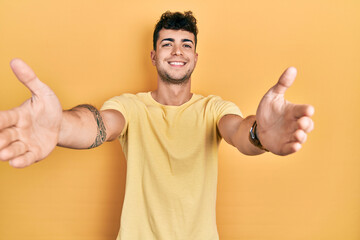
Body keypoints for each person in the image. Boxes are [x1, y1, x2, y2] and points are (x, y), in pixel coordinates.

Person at [0, 11, 314, 240]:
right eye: (168, 44)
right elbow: (99, 124)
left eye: (186, 45)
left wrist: (260, 134)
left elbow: (238, 132)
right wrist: (60, 127)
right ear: (153, 55)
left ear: (195, 57)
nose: (177, 51)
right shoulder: (131, 107)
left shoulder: (214, 109)